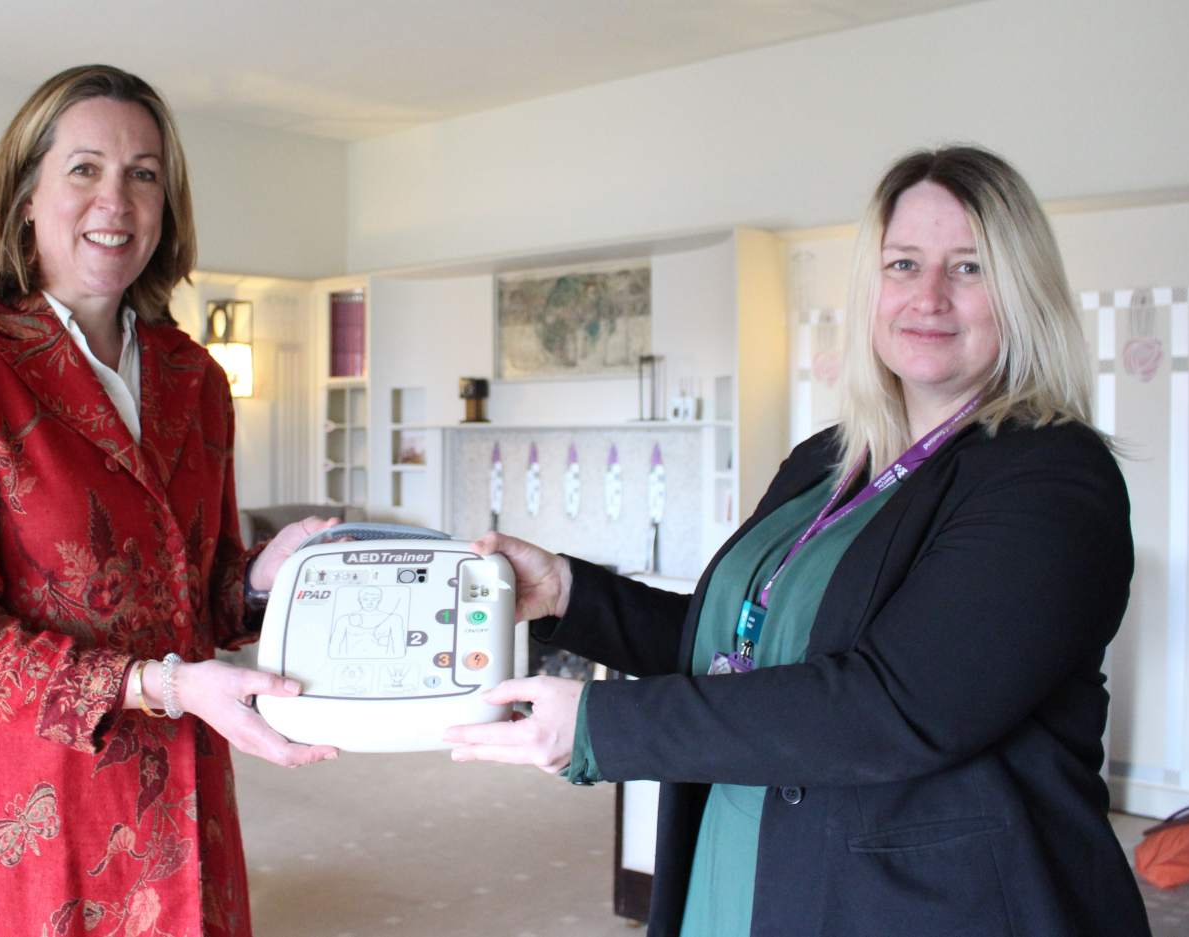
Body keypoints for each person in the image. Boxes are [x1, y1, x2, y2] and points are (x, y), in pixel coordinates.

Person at [446, 146, 1152, 937]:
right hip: (747, 870)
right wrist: (571, 592)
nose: (928, 296)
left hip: (930, 903)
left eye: (969, 268)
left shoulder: (1052, 478)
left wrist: (601, 724)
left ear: (1022, 292)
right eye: (903, 263)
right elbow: (740, 652)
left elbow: (896, 705)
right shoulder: (827, 457)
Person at [0, 65, 337, 937]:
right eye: (85, 168)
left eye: (144, 173)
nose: (115, 198)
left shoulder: (195, 377)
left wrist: (264, 579)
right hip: (28, 815)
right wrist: (158, 683)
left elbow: (193, 595)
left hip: (184, 803)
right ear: (25, 197)